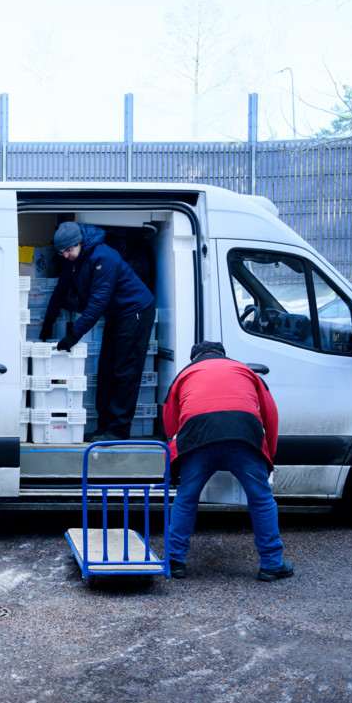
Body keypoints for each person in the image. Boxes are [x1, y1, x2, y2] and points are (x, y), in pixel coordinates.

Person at [162, 341, 293, 582]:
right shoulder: (245, 371)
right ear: (223, 355)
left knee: (186, 497)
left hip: (198, 436)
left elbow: (170, 421)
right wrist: (269, 457)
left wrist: (177, 456)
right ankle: (272, 564)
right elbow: (271, 415)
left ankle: (175, 562)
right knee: (261, 499)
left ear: (195, 358)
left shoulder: (185, 374)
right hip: (243, 434)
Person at [40, 222, 155, 441]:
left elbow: (97, 303)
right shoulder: (74, 259)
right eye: (61, 252)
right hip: (116, 314)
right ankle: (105, 427)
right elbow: (60, 290)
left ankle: (118, 431)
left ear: (79, 242)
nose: (66, 255)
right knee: (106, 371)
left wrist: (73, 336)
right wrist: (46, 327)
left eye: (69, 250)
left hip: (135, 312)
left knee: (125, 372)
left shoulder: (104, 258)